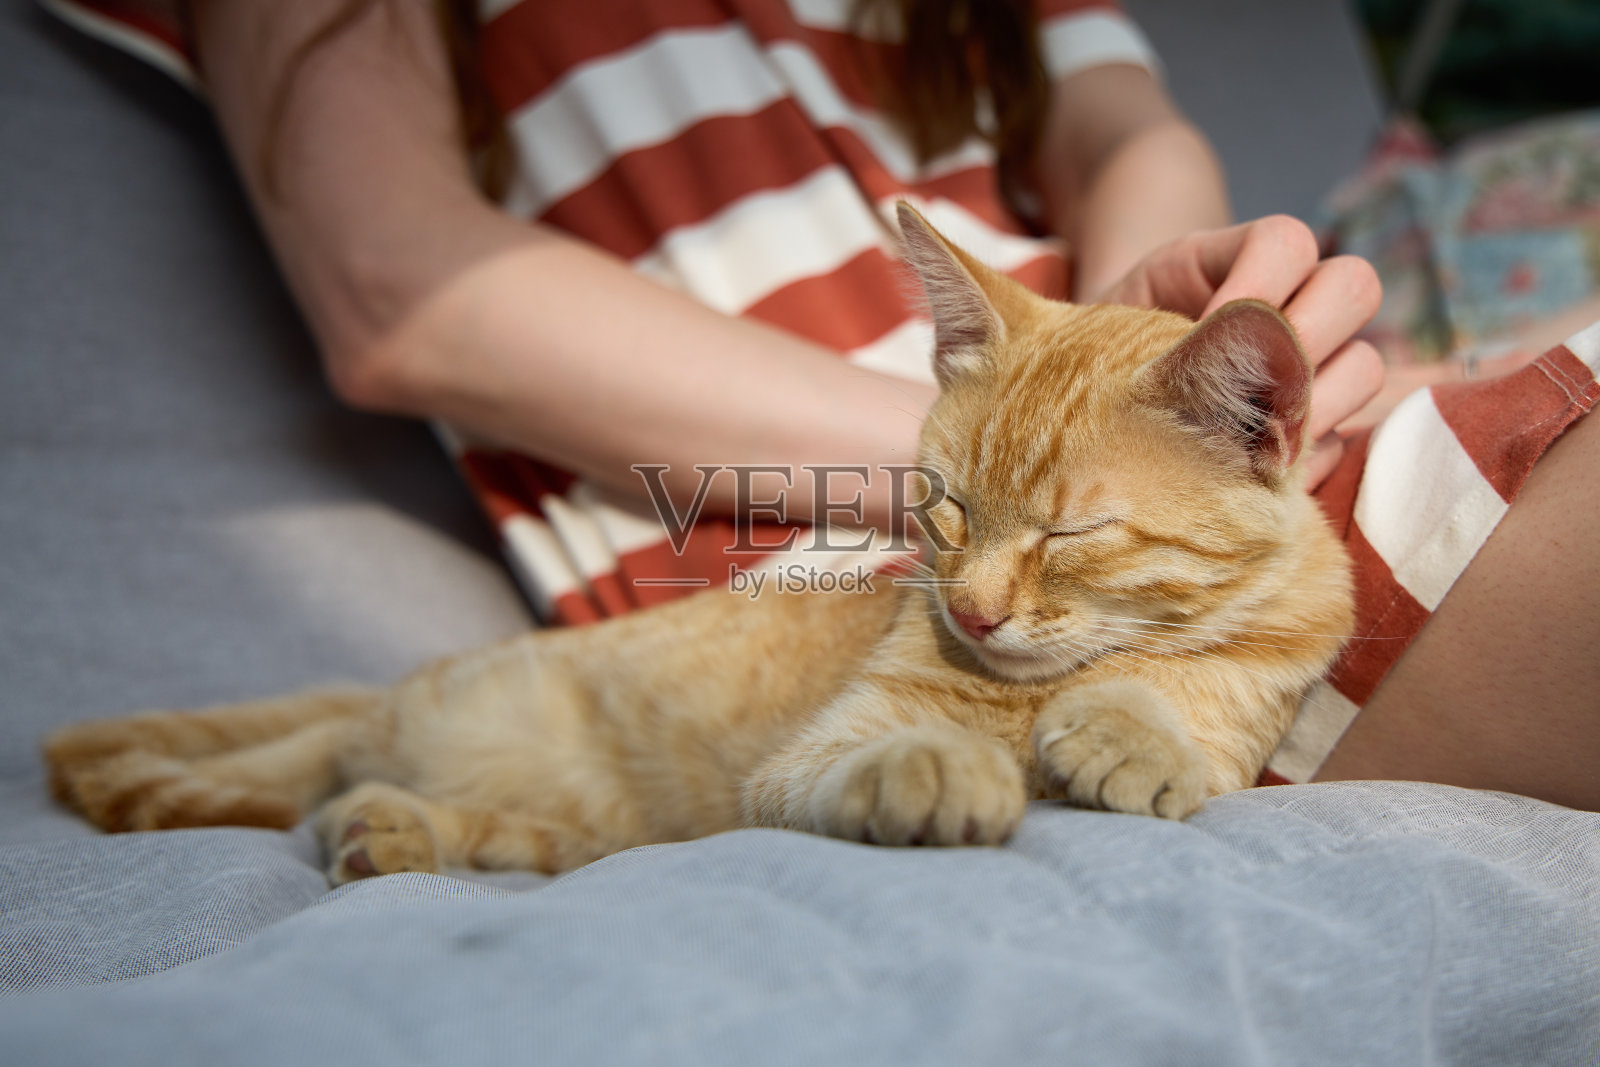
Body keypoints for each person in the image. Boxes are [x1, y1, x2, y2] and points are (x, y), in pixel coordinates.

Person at [53, 0, 1598, 809]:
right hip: (857, 577)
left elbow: (1132, 134)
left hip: (1130, 487)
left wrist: (1129, 344)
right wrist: (1003, 459)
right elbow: (406, 293)